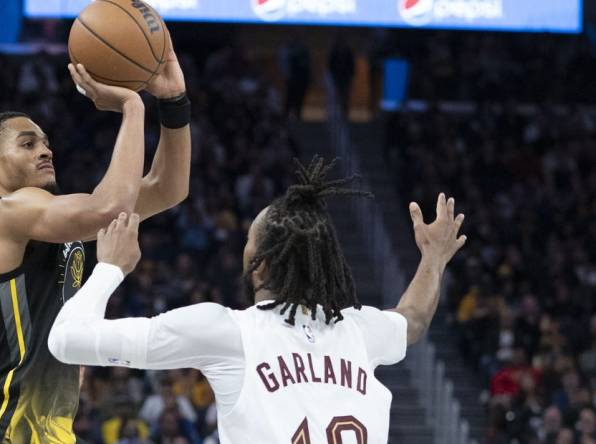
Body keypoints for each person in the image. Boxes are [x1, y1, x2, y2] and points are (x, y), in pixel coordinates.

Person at [48, 156, 467, 443]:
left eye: (248, 242)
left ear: (261, 264)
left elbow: (65, 340)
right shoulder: (359, 330)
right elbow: (412, 320)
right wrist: (433, 258)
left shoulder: (227, 331)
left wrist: (110, 268)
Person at [0, 42, 191, 444]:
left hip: (51, 431)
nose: (45, 150)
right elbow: (109, 208)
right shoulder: (4, 214)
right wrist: (132, 107)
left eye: (45, 142)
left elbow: (169, 188)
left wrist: (173, 102)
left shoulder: (57, 218)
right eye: (28, 143)